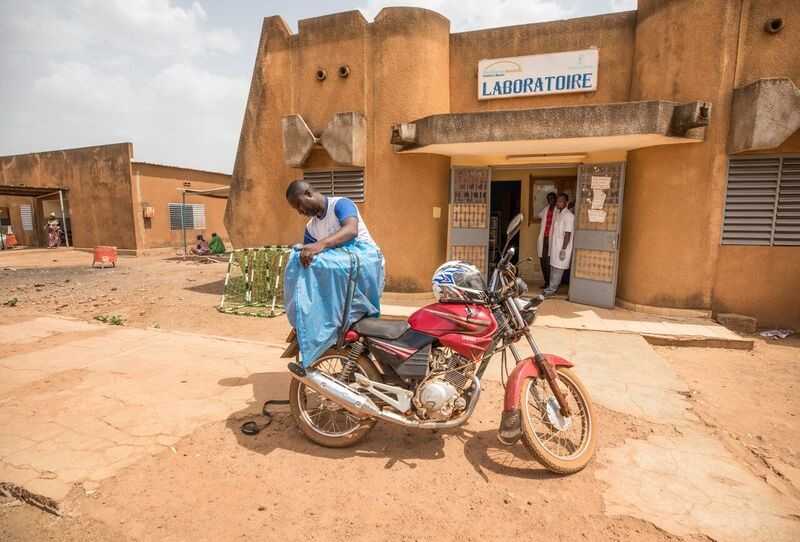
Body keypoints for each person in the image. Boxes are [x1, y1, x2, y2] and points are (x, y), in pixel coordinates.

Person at [285, 180, 378, 267]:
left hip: (366, 266)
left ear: (308, 194)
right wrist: (301, 249)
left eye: (299, 205)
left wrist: (319, 245)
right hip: (342, 273)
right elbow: (310, 255)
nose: (300, 212)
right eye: (296, 209)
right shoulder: (310, 228)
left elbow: (351, 230)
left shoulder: (340, 204)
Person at [543, 193, 574, 296]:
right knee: (553, 268)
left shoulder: (569, 216)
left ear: (566, 203)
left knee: (558, 269)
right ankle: (551, 288)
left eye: (561, 201)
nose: (558, 203)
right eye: (558, 201)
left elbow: (568, 234)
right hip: (555, 247)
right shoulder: (559, 214)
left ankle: (552, 290)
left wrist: (563, 249)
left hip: (562, 247)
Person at [537, 192, 557, 288]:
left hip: (552, 238)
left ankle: (551, 283)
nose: (551, 200)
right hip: (544, 238)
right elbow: (539, 215)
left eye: (552, 198)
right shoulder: (546, 209)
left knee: (550, 261)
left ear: (555, 199)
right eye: (549, 199)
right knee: (543, 260)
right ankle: (546, 282)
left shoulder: (558, 210)